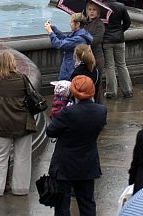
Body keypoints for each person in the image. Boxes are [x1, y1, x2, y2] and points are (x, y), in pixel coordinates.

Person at [46, 75, 107, 216]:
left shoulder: (68, 112)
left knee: (62, 206)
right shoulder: (101, 111)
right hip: (87, 164)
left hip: (64, 165)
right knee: (87, 204)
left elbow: (51, 131)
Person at [0, 51, 36, 197]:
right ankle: (21, 189)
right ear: (13, 63)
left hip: (1, 124)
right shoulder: (23, 78)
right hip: (23, 123)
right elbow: (31, 97)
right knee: (23, 157)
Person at [100, 0, 134, 99]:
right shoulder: (121, 6)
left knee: (109, 66)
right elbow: (128, 22)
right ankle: (128, 90)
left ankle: (111, 92)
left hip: (107, 41)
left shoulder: (102, 7)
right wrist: (120, 31)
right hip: (119, 40)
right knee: (122, 64)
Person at [45, 14, 93, 81]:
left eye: (71, 22)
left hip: (70, 68)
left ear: (78, 24)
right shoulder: (79, 34)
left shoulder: (78, 39)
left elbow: (59, 44)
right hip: (69, 65)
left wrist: (50, 32)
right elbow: (66, 39)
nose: (70, 24)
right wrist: (54, 29)